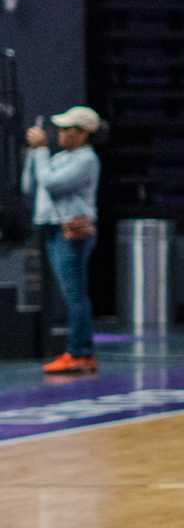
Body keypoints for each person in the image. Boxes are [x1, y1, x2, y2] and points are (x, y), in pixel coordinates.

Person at [22, 106, 101, 375]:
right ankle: (82, 353)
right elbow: (30, 186)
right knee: (73, 294)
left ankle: (79, 353)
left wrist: (41, 151)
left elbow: (52, 184)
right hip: (52, 230)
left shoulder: (86, 160)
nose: (61, 133)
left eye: (68, 129)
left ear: (83, 134)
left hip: (70, 233)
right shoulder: (59, 157)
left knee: (75, 295)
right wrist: (34, 154)